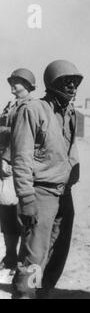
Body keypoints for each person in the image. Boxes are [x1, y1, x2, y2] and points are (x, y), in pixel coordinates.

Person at [11, 60, 83, 299]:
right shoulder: (32, 110)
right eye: (66, 81)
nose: (72, 86)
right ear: (52, 84)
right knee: (34, 256)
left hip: (64, 195)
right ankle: (24, 296)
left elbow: (70, 150)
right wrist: (26, 197)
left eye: (75, 82)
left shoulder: (70, 112)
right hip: (41, 194)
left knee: (57, 253)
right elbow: (21, 156)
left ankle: (42, 294)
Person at [0, 68, 35, 274]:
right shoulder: (10, 106)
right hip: (4, 166)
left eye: (18, 82)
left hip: (18, 166)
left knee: (21, 215)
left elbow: (20, 136)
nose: (13, 85)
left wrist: (6, 158)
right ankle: (11, 256)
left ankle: (22, 260)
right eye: (12, 81)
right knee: (5, 214)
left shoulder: (29, 106)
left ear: (28, 85)